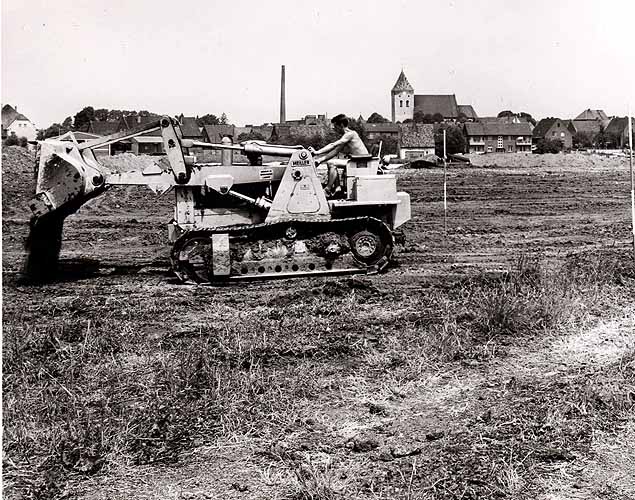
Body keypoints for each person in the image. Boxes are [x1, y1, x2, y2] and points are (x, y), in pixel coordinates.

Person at [308, 114, 369, 197]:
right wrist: (319, 160)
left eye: (335, 126)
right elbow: (335, 151)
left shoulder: (350, 134)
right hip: (357, 161)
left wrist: (317, 152)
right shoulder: (346, 137)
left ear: (341, 125)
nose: (334, 128)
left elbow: (333, 145)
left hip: (361, 162)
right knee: (331, 163)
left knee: (331, 163)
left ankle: (328, 189)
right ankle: (337, 188)